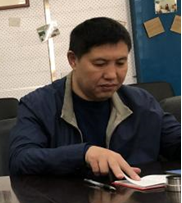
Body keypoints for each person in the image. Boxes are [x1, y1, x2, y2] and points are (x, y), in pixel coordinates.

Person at [9, 17, 180, 178]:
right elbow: (20, 159)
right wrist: (83, 154)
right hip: (66, 198)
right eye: (100, 64)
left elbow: (175, 141)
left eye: (120, 63)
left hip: (137, 197)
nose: (112, 75)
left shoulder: (142, 102)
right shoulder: (38, 105)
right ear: (73, 60)